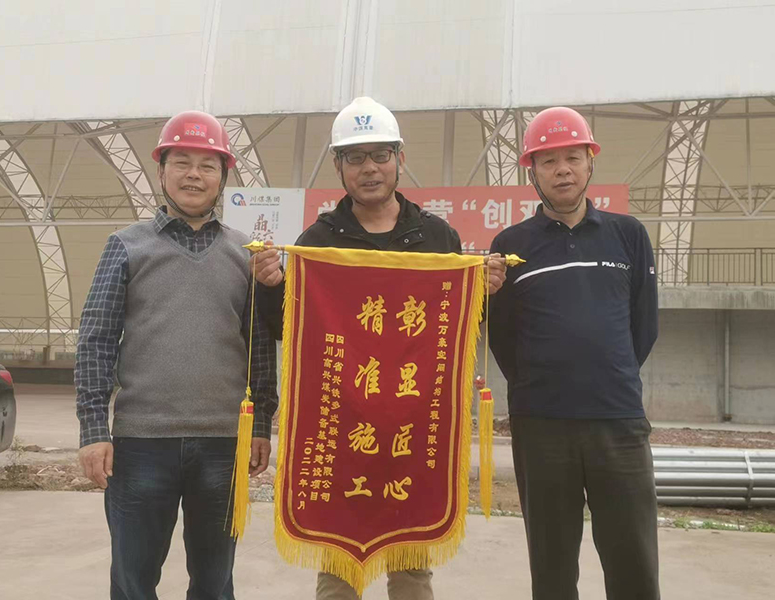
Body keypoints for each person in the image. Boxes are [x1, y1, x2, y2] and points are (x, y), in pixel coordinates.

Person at [254, 96, 507, 600]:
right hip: (342, 427)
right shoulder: (318, 240)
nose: (369, 168)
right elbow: (289, 330)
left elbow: (458, 328)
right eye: (355, 157)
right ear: (339, 167)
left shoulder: (435, 236)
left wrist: (485, 293)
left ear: (400, 159)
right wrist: (271, 286)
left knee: (411, 567)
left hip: (414, 427)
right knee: (338, 564)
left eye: (380, 155)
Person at [75, 110, 279, 600]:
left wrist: (261, 423)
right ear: (161, 170)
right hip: (141, 443)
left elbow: (259, 347)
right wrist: (94, 429)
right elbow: (96, 339)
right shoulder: (126, 246)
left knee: (214, 580)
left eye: (207, 165)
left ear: (222, 177)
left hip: (223, 444)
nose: (194, 175)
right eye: (182, 162)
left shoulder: (246, 254)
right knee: (133, 579)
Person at [488, 107, 660, 600]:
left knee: (633, 564)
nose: (562, 170)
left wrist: (607, 375)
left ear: (590, 162)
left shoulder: (627, 235)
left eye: (572, 158)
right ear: (532, 171)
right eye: (548, 161)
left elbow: (643, 326)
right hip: (541, 427)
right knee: (552, 568)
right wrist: (541, 385)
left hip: (618, 423)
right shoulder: (511, 245)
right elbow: (503, 336)